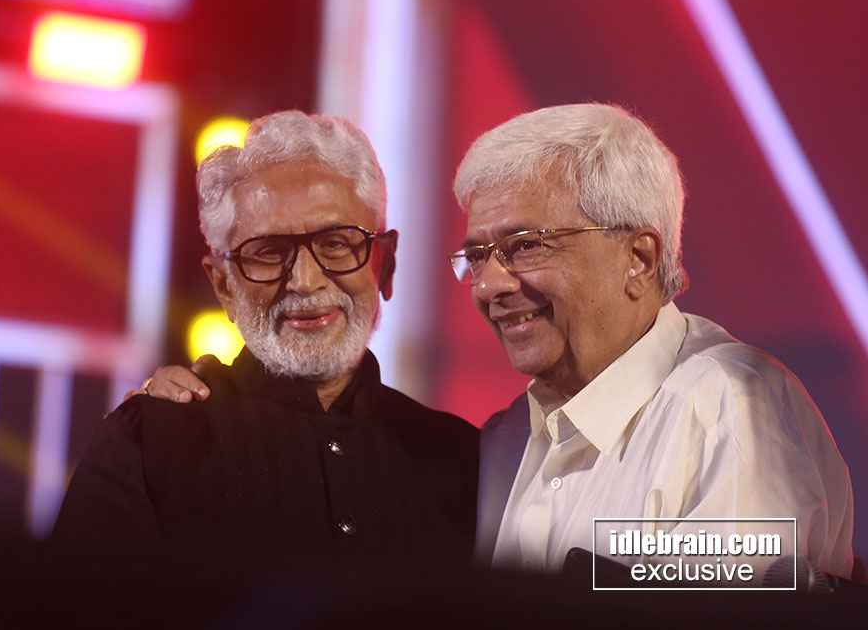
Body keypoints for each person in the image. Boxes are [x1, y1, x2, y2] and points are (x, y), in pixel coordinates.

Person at [144, 104, 854, 579]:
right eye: (478, 255)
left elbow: (748, 596)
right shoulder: (501, 444)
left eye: (525, 246)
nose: (488, 285)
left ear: (639, 258)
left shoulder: (727, 405)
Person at [53, 111, 478, 563]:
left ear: (385, 264)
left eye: (336, 243)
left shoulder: (462, 459)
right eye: (269, 252)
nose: (305, 281)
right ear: (223, 287)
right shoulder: (148, 443)